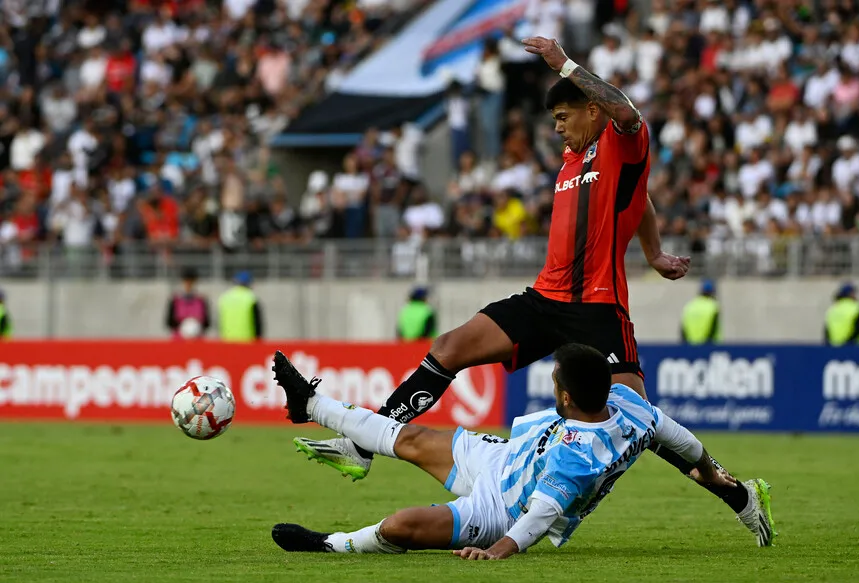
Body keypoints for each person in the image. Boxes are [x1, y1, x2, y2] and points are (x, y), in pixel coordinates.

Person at [298, 36, 769, 546]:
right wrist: (653, 251)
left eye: (565, 117)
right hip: (545, 299)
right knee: (449, 348)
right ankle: (364, 447)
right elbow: (642, 202)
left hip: (597, 310)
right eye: (554, 121)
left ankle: (740, 497)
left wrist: (563, 63)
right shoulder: (573, 161)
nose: (558, 128)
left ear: (593, 111)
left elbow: (629, 115)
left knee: (645, 427)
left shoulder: (621, 139)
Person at [271, 345, 775, 557]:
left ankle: (330, 544)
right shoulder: (628, 403)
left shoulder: (581, 455)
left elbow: (542, 513)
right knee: (410, 437)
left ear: (566, 397)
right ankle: (310, 403)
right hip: (507, 457)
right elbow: (684, 441)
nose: (553, 384)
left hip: (502, 508)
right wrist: (711, 474)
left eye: (556, 381)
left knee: (401, 526)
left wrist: (498, 549)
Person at [166, 267, 211, 340]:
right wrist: (184, 326)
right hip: (179, 341)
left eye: (191, 281)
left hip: (197, 340)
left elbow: (207, 323)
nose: (189, 284)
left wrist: (196, 326)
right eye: (186, 281)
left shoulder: (201, 300)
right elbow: (169, 322)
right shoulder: (175, 300)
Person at [218, 271, 263, 342]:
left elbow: (220, 320)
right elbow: (257, 323)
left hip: (227, 340)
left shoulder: (225, 297)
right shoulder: (251, 297)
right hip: (247, 341)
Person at [681, 279, 721, 345]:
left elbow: (683, 330)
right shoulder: (714, 306)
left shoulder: (690, 306)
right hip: (709, 347)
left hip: (690, 347)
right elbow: (713, 329)